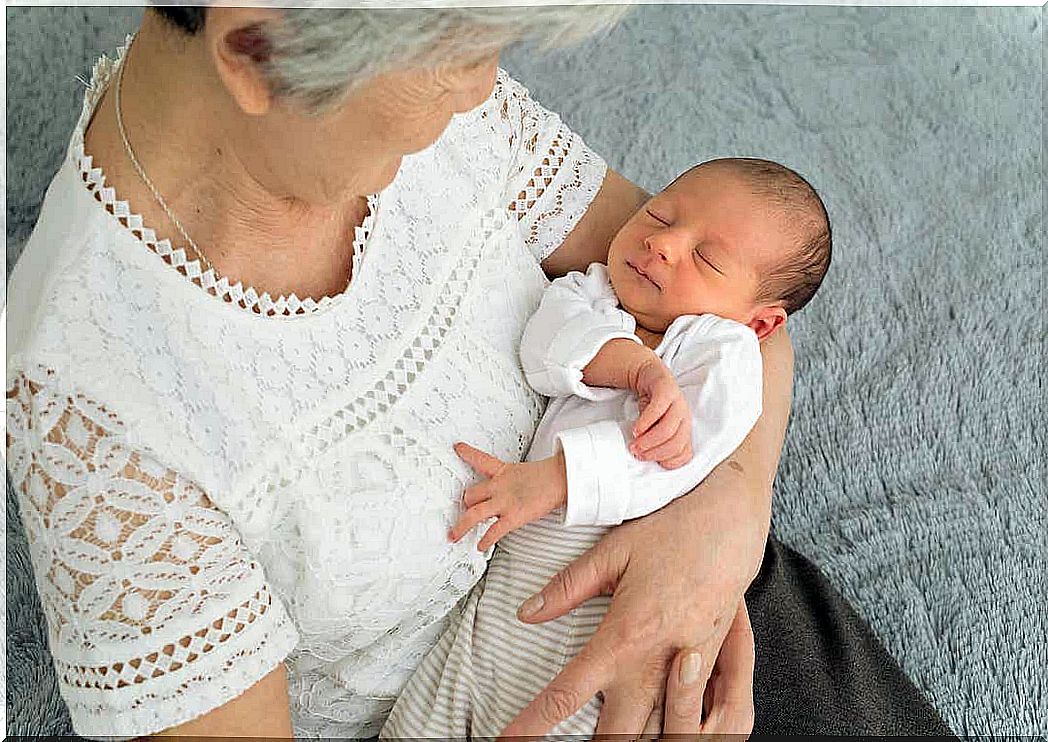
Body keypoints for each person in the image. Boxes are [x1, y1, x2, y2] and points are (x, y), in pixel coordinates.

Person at [4, 5, 953, 740]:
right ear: (259, 50)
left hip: (714, 593)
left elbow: (739, 312)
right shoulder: (94, 410)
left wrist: (726, 514)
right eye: (463, 57)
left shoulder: (419, 87)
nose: (485, 88)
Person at [381, 157, 830, 739]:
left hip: (599, 619)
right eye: (660, 213)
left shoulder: (724, 354)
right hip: (492, 615)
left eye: (707, 259)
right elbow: (546, 350)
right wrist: (632, 364)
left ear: (761, 324)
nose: (663, 243)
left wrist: (558, 479)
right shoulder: (593, 291)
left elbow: (671, 457)